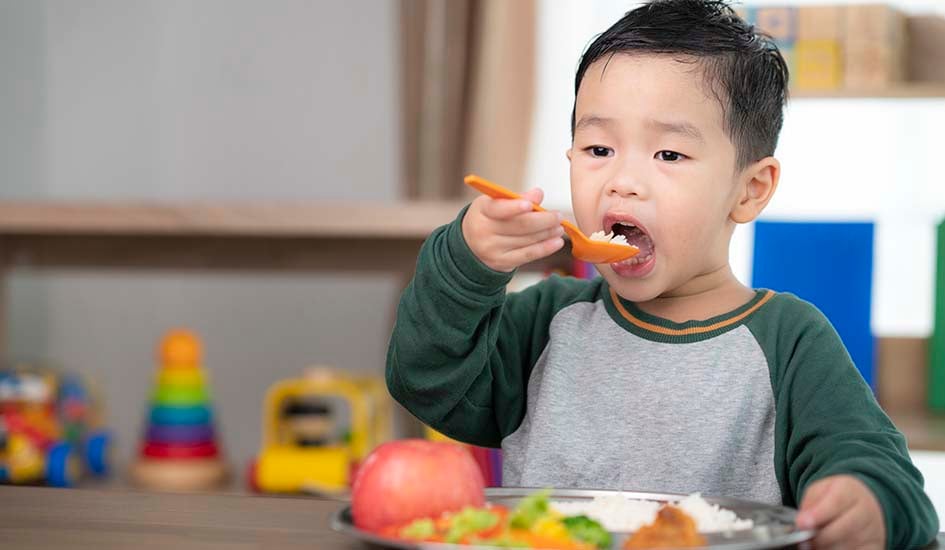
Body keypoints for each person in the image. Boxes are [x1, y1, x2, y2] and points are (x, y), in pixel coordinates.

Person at [385, 1, 939, 547]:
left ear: (750, 190)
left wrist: (866, 502)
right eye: (599, 148)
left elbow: (885, 477)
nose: (622, 181)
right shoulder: (547, 322)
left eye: (669, 155)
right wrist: (465, 264)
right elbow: (424, 380)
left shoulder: (790, 343)